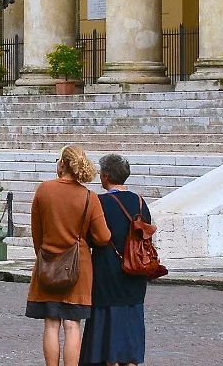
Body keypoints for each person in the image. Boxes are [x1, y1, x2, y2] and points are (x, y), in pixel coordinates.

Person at [25, 145, 112, 366]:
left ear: (62, 164)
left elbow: (37, 232)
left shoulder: (44, 190)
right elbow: (103, 237)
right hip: (78, 268)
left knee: (51, 323)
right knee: (73, 325)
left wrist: (43, 256)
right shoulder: (89, 197)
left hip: (48, 263)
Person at [84, 154, 149, 366]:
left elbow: (91, 237)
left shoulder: (100, 202)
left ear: (105, 176)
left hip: (107, 269)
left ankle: (111, 360)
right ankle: (131, 360)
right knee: (132, 319)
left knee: (107, 321)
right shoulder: (140, 202)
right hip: (136, 269)